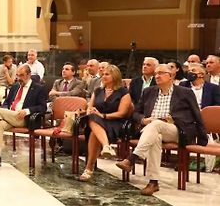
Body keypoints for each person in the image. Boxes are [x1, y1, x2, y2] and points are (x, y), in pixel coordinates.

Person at [116, 64, 206, 196]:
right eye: (156, 74)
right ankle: (153, 182)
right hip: (151, 129)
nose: (157, 76)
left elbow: (196, 114)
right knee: (155, 135)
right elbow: (135, 113)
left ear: (171, 76)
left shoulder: (185, 92)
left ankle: (132, 158)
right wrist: (143, 120)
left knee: (156, 124)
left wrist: (201, 137)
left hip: (176, 130)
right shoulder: (149, 91)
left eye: (161, 73)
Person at [78, 65, 132, 182]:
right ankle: (106, 146)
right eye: (103, 74)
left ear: (115, 76)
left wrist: (103, 116)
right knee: (91, 118)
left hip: (115, 122)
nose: (103, 76)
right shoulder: (98, 91)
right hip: (96, 121)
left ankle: (89, 169)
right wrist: (91, 111)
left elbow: (122, 113)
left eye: (107, 74)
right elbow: (90, 107)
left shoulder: (124, 92)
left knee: (93, 132)